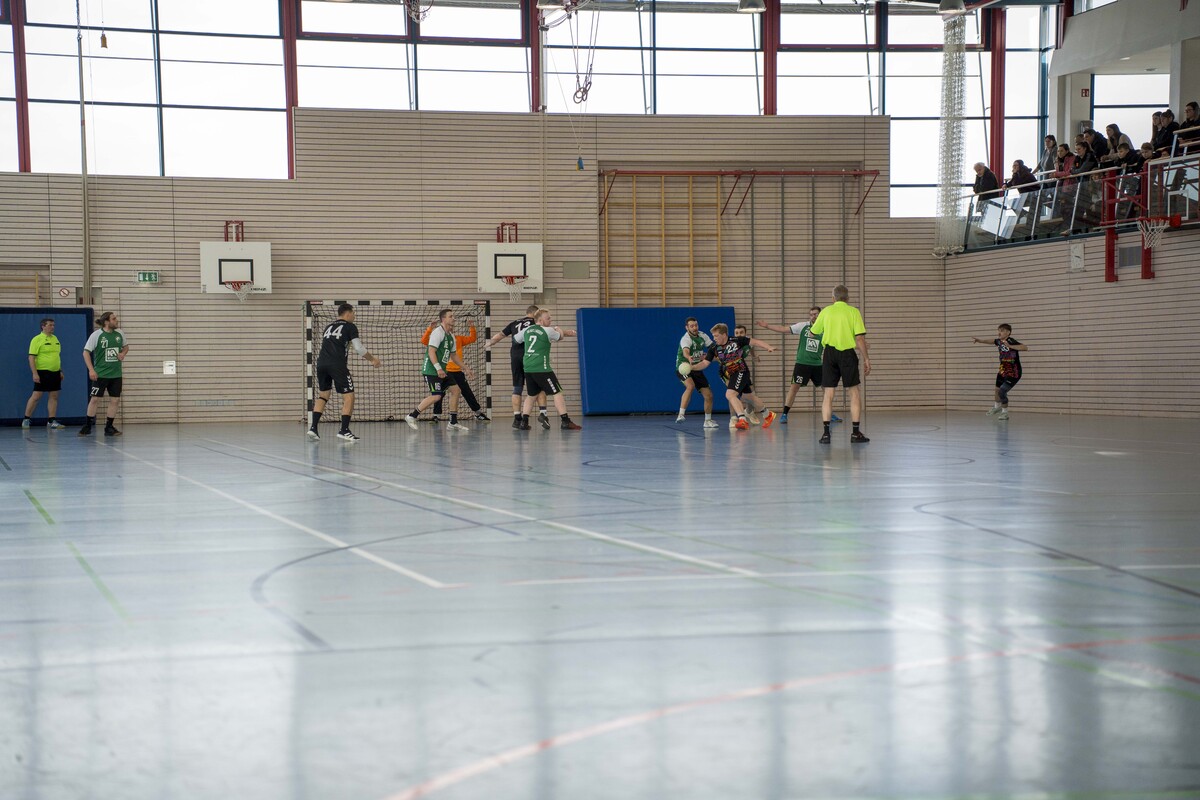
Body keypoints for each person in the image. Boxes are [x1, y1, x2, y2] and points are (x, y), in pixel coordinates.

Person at [307, 303, 381, 442]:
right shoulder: (350, 326)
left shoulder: (328, 327)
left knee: (323, 395)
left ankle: (313, 428)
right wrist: (373, 359)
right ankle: (344, 430)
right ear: (347, 313)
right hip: (337, 365)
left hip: (321, 364)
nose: (354, 316)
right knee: (349, 396)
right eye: (353, 313)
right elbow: (359, 348)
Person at [756, 308, 841, 425]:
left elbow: (836, 342)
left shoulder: (826, 328)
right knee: (794, 388)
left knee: (827, 389)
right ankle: (785, 414)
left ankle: (830, 413)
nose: (813, 316)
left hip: (818, 365)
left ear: (821, 315)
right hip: (802, 364)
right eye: (811, 314)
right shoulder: (803, 326)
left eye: (816, 314)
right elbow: (784, 328)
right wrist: (767, 326)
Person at [808, 285, 870, 444]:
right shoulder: (853, 312)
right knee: (854, 392)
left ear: (833, 298)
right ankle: (855, 433)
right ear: (847, 298)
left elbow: (812, 333)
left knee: (828, 394)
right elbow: (860, 338)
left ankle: (826, 434)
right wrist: (866, 359)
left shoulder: (826, 312)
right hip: (847, 354)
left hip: (829, 354)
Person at [688, 323, 777, 431]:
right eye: (713, 336)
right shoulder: (714, 348)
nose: (714, 338)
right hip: (731, 374)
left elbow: (755, 342)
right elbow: (705, 363)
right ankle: (768, 415)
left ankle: (742, 419)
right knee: (748, 397)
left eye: (716, 336)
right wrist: (692, 367)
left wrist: (768, 347)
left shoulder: (737, 340)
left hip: (741, 371)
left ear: (724, 334)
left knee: (730, 394)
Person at [511, 308, 582, 431]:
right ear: (540, 320)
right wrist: (558, 328)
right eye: (548, 318)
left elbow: (516, 339)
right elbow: (560, 336)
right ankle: (565, 421)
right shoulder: (548, 330)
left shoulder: (527, 330)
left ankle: (524, 422)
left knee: (531, 395)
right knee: (557, 392)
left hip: (528, 368)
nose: (550, 320)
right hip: (542, 368)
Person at [405, 309, 473, 432]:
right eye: (451, 316)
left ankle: (453, 422)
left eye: (453, 316)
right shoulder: (438, 333)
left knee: (456, 390)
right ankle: (411, 416)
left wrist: (465, 367)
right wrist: (438, 368)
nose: (454, 318)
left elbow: (453, 355)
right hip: (431, 370)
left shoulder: (451, 336)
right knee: (437, 396)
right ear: (443, 319)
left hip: (442, 370)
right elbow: (431, 351)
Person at [487, 304, 548, 430]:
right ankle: (543, 414)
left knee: (517, 387)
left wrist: (490, 343)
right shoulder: (537, 323)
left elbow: (500, 335)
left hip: (515, 357)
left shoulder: (514, 323)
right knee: (539, 386)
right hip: (530, 357)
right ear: (536, 314)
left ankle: (517, 418)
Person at [422, 320, 488, 423]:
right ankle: (436, 415)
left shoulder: (457, 339)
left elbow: (472, 339)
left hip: (457, 371)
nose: (450, 327)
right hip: (445, 371)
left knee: (466, 391)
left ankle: (478, 413)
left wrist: (471, 327)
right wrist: (430, 328)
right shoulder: (439, 339)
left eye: (452, 326)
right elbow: (425, 341)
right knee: (439, 394)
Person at [80, 311, 128, 437]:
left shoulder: (120, 333)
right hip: (100, 374)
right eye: (114, 319)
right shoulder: (96, 335)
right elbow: (86, 352)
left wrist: (123, 353)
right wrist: (91, 370)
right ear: (106, 322)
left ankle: (109, 427)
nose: (116, 320)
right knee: (95, 399)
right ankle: (87, 426)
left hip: (116, 374)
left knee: (115, 400)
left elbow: (126, 347)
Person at [972, 324, 1028, 421]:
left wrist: (1010, 346)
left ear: (1008, 332)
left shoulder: (1010, 340)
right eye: (998, 331)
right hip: (1003, 370)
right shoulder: (999, 341)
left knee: (1002, 391)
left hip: (1014, 372)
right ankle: (996, 407)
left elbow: (1025, 347)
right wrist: (980, 341)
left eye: (1001, 331)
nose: (999, 333)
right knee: (997, 390)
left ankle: (1005, 413)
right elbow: (992, 341)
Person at [23, 318, 66, 430]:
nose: (53, 327)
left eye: (53, 325)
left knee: (54, 396)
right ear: (43, 326)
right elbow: (31, 358)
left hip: (55, 372)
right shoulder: (37, 339)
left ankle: (51, 421)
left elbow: (56, 356)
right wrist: (35, 373)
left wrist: (60, 370)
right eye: (50, 325)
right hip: (42, 372)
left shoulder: (55, 339)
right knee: (36, 396)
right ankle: (26, 419)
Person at [675, 317, 717, 429]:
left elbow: (713, 348)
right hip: (684, 367)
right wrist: (689, 357)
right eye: (692, 326)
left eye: (696, 325)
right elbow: (685, 351)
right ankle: (681, 415)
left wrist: (717, 355)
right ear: (687, 327)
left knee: (709, 395)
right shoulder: (686, 339)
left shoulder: (703, 336)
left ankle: (707, 421)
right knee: (690, 386)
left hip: (696, 368)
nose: (694, 328)